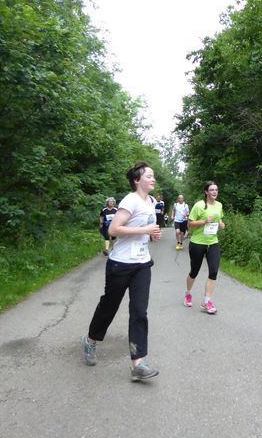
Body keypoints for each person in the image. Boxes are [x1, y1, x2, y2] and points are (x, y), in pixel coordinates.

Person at [82, 162, 162, 381]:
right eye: (148, 176)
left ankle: (138, 364)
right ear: (137, 180)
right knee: (109, 306)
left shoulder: (152, 201)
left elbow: (145, 230)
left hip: (142, 263)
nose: (153, 179)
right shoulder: (130, 200)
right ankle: (90, 340)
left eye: (153, 176)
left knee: (139, 311)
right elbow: (113, 229)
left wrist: (152, 234)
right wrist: (145, 229)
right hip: (120, 264)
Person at [183, 182, 225, 313]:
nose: (214, 192)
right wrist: (204, 221)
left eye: (216, 190)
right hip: (197, 243)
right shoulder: (199, 205)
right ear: (206, 192)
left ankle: (206, 301)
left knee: (213, 271)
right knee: (194, 272)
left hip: (213, 242)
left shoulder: (219, 205)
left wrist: (221, 224)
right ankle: (188, 294)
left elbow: (219, 219)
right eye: (211, 190)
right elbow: (190, 224)